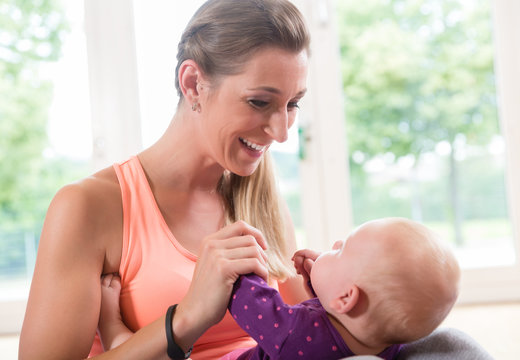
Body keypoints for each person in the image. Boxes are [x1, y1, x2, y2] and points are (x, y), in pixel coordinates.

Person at [19, 0, 494, 359]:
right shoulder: (88, 207)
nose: (283, 132)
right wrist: (185, 319)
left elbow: (310, 338)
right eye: (260, 102)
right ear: (193, 84)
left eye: (293, 104)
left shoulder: (259, 195)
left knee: (450, 345)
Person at [97, 218, 460, 360]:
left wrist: (243, 266)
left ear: (346, 298)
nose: (332, 244)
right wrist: (319, 288)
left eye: (341, 249)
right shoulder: (384, 341)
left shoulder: (295, 336)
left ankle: (111, 327)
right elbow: (343, 325)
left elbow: (253, 305)